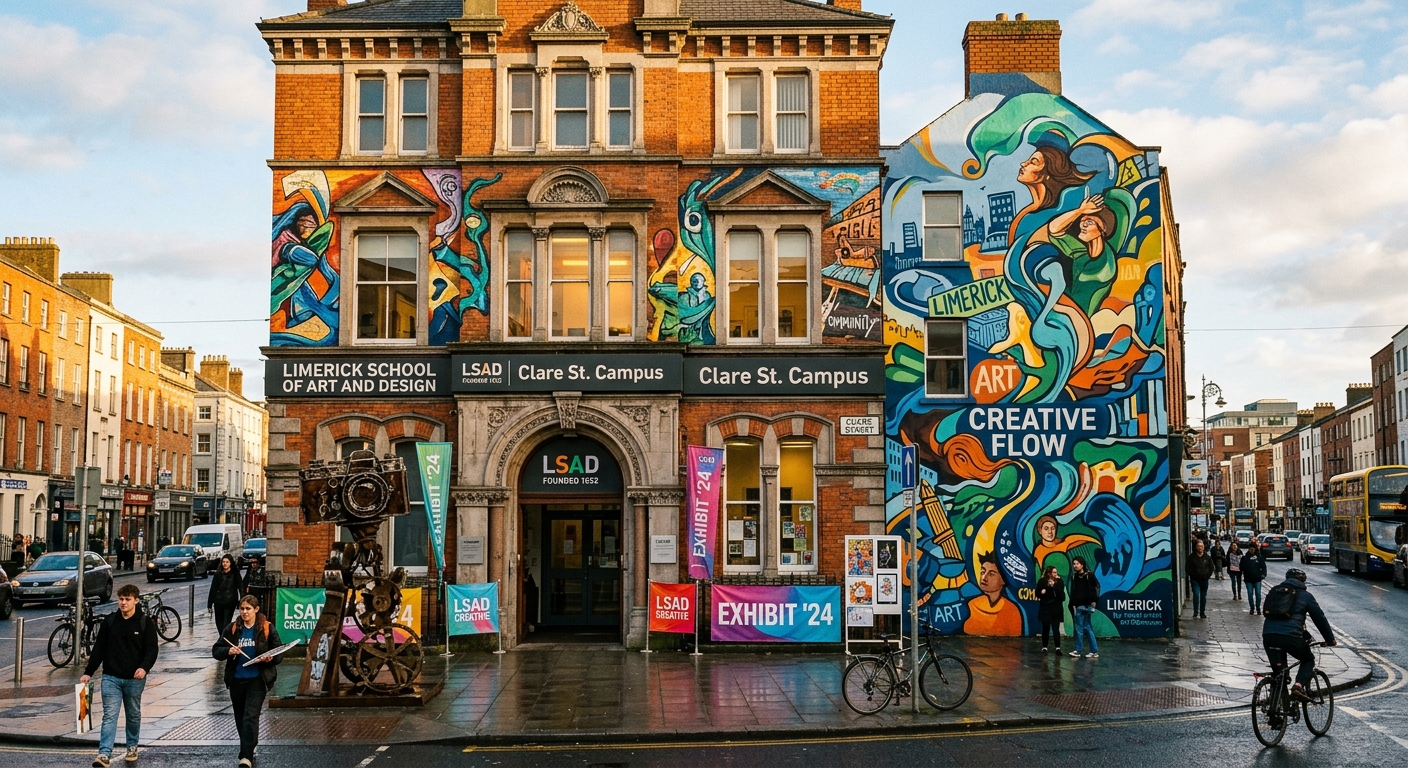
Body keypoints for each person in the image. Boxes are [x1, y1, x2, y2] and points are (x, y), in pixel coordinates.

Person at [81, 583, 159, 767]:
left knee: (133, 715)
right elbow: (99, 648)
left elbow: (151, 649)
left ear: (136, 601)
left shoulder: (144, 622)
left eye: (127, 599)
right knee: (109, 715)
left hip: (134, 678)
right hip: (111, 677)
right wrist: (88, 672)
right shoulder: (110, 621)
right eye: (121, 599)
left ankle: (132, 746)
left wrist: (144, 668)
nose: (123, 603)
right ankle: (104, 754)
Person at [212, 595, 284, 767]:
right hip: (237, 679)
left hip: (257, 679)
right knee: (240, 717)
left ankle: (245, 756)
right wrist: (229, 651)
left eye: (248, 609)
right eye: (242, 609)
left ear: (256, 610)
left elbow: (279, 652)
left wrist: (269, 658)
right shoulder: (233, 628)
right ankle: (250, 744)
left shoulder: (266, 628)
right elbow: (216, 650)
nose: (244, 612)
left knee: (250, 717)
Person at [1262, 568, 1336, 701]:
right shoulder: (1306, 596)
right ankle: (1298, 686)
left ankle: (1277, 706)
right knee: (1308, 659)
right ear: (1303, 581)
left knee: (1280, 672)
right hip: (1291, 637)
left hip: (1268, 636)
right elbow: (1319, 619)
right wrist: (1330, 639)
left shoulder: (1275, 591)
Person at [963, 551, 1023, 635]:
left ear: (1003, 580)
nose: (984, 578)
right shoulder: (971, 605)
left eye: (991, 574)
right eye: (983, 572)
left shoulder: (1011, 610)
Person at [1068, 556, 1100, 658]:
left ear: (1082, 564)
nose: (1075, 565)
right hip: (1078, 605)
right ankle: (1094, 651)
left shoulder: (1089, 575)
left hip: (1086, 605)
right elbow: (1074, 591)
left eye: (1077, 563)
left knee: (1079, 628)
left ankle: (1078, 650)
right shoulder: (1074, 577)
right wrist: (1073, 603)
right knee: (1087, 627)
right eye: (1074, 564)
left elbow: (1095, 587)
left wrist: (1094, 601)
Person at [1035, 565, 1065, 652]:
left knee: (1056, 628)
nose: (1056, 574)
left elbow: (1061, 594)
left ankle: (1058, 647)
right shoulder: (1042, 581)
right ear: (1049, 573)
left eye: (1056, 572)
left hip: (1056, 608)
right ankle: (1044, 647)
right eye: (1054, 572)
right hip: (1045, 607)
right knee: (1045, 628)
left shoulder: (1059, 581)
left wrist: (1054, 585)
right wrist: (1043, 590)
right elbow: (1037, 593)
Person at [208, 554, 242, 630]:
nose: (225, 564)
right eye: (223, 562)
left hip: (230, 601)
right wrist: (210, 603)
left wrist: (242, 600)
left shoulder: (235, 574)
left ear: (231, 563)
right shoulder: (218, 574)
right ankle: (223, 638)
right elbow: (213, 588)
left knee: (226, 622)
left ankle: (224, 639)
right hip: (218, 601)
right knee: (219, 622)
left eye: (227, 562)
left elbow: (241, 587)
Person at [1187, 539, 1214, 620]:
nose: (1200, 548)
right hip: (1195, 580)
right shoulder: (1191, 557)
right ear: (1196, 547)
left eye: (1201, 546)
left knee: (1203, 596)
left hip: (1204, 580)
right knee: (1196, 594)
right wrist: (1192, 575)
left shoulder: (1207, 557)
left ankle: (1202, 612)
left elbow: (1211, 567)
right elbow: (1188, 567)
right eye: (1198, 546)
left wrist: (1207, 576)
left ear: (1204, 547)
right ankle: (1195, 612)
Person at [1242, 542, 1268, 615]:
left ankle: (1258, 608)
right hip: (1248, 579)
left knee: (1258, 594)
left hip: (1257, 579)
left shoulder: (1259, 557)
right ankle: (1252, 608)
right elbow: (1242, 567)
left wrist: (1263, 575)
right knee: (1250, 594)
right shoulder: (1245, 557)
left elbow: (1263, 567)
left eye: (1253, 548)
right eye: (1250, 548)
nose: (1251, 550)